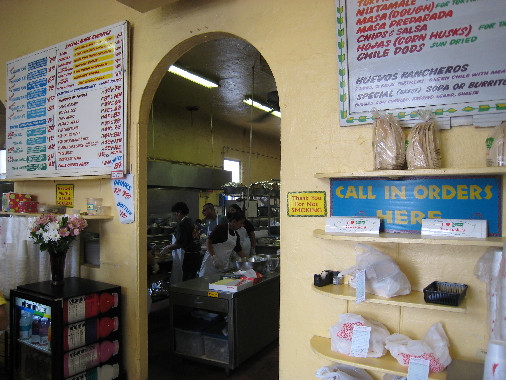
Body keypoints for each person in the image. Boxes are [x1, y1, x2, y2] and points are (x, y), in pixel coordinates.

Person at [199, 211, 248, 276]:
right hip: (211, 263)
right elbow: (208, 242)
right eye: (241, 223)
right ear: (234, 221)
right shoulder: (221, 228)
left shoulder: (236, 235)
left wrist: (248, 260)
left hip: (223, 265)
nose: (242, 226)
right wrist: (214, 258)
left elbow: (239, 250)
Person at [161, 202, 200, 284]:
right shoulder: (191, 222)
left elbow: (179, 244)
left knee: (184, 283)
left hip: (185, 259)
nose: (176, 217)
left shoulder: (182, 224)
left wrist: (167, 248)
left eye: (175, 214)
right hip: (194, 257)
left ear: (179, 212)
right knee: (191, 282)